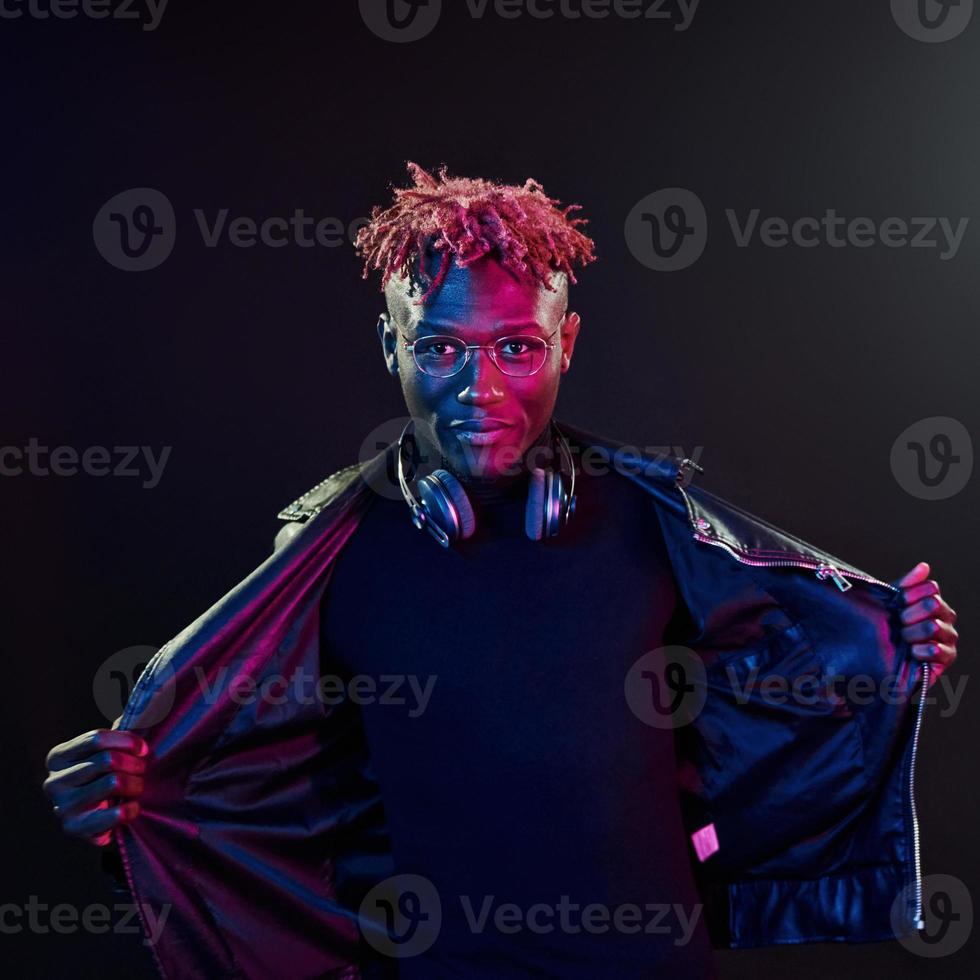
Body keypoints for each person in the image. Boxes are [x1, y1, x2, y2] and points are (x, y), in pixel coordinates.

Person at [43, 163, 959, 979]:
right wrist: (129, 795)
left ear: (563, 346)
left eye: (516, 349)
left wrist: (887, 646)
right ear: (390, 346)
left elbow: (781, 693)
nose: (479, 393)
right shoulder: (327, 551)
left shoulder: (659, 519)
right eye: (440, 349)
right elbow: (250, 791)